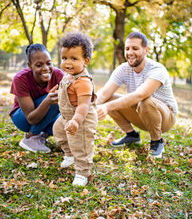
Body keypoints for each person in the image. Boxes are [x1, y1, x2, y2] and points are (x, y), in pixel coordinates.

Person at [97, 31, 178, 158]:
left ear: (146, 50)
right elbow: (103, 93)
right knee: (109, 98)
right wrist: (84, 107)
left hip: (165, 117)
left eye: (135, 48)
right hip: (141, 113)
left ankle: (156, 142)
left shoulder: (157, 69)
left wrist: (107, 107)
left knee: (145, 100)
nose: (130, 53)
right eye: (127, 48)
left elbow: (140, 95)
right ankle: (132, 136)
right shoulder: (123, 69)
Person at [53, 32, 97, 187]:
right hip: (66, 115)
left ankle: (82, 172)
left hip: (82, 118)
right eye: (64, 58)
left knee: (82, 145)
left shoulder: (84, 81)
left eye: (74, 58)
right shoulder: (68, 76)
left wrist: (77, 121)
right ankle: (69, 154)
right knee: (58, 131)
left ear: (85, 61)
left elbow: (84, 105)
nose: (67, 63)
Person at [10, 43, 64, 153]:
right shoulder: (20, 79)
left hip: (47, 116)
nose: (45, 68)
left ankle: (42, 134)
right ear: (30, 66)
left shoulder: (58, 75)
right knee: (55, 99)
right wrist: (47, 101)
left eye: (49, 63)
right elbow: (31, 118)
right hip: (23, 118)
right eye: (39, 65)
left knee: (63, 129)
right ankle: (31, 138)